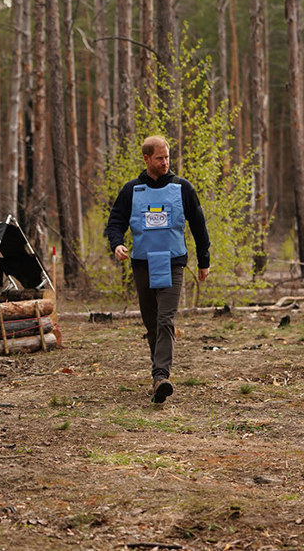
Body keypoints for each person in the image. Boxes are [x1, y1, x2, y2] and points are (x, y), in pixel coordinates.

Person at [105, 135, 211, 405]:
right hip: (142, 264)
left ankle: (161, 376)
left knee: (166, 320)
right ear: (147, 159)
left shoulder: (182, 188)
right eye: (159, 158)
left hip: (173, 262)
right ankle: (158, 376)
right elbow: (115, 222)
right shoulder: (132, 190)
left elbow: (199, 226)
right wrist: (117, 245)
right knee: (151, 323)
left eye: (167, 157)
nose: (165, 163)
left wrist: (203, 260)